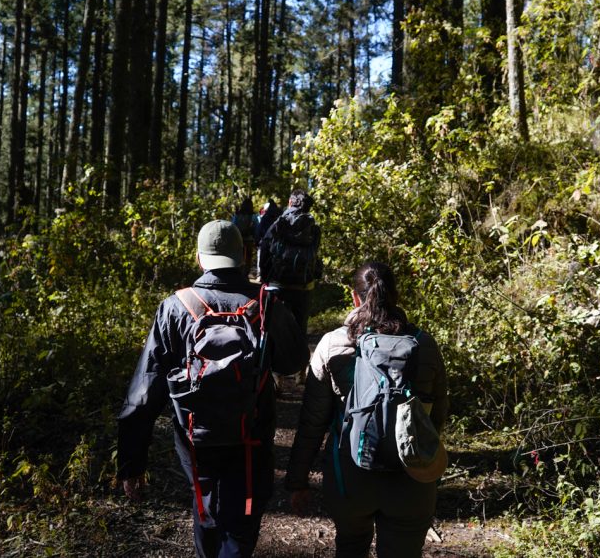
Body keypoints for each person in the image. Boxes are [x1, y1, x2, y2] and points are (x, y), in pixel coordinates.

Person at [117, 220, 308, 558]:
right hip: (251, 436)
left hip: (196, 439)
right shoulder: (266, 303)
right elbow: (293, 362)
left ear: (199, 258)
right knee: (242, 519)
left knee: (205, 507)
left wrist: (132, 464)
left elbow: (143, 394)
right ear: (244, 255)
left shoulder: (175, 307)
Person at [285, 262, 449, 558]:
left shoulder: (333, 345)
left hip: (350, 478)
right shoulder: (424, 345)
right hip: (411, 477)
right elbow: (437, 417)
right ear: (396, 295)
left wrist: (297, 480)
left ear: (354, 297)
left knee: (350, 546)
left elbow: (312, 422)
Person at [257, 188, 322, 335]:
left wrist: (265, 278)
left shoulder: (278, 223)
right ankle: (299, 349)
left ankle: (275, 349)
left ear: (290, 202)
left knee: (274, 330)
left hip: (278, 285)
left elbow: (265, 248)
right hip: (304, 285)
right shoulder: (313, 228)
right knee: (300, 329)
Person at [231, 196, 259, 273]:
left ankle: (239, 272)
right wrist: (256, 239)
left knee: (240, 256)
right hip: (249, 239)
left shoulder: (237, 215)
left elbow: (233, 226)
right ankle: (246, 273)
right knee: (248, 258)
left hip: (239, 240)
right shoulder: (253, 216)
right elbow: (256, 228)